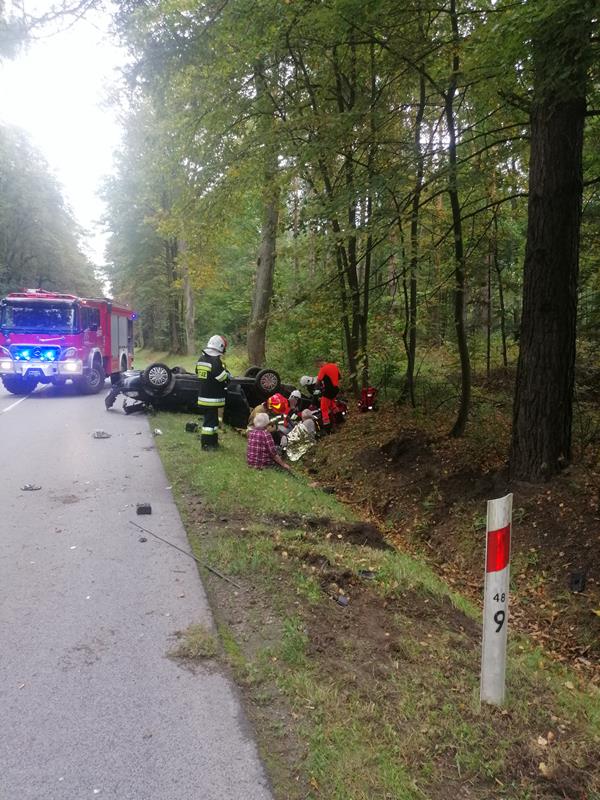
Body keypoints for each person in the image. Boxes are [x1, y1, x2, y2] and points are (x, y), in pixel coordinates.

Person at [195, 334, 230, 450]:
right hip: (212, 398)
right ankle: (206, 445)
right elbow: (222, 377)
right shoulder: (215, 361)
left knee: (213, 421)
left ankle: (213, 442)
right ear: (220, 347)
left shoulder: (201, 359)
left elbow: (197, 372)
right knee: (209, 424)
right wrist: (228, 375)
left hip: (203, 396)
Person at [300, 358, 341, 433]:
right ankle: (340, 419)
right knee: (332, 405)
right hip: (336, 389)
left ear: (320, 362)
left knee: (324, 409)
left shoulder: (323, 369)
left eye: (317, 365)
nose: (318, 367)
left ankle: (328, 428)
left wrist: (317, 391)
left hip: (328, 391)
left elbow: (318, 382)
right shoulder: (334, 366)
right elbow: (339, 377)